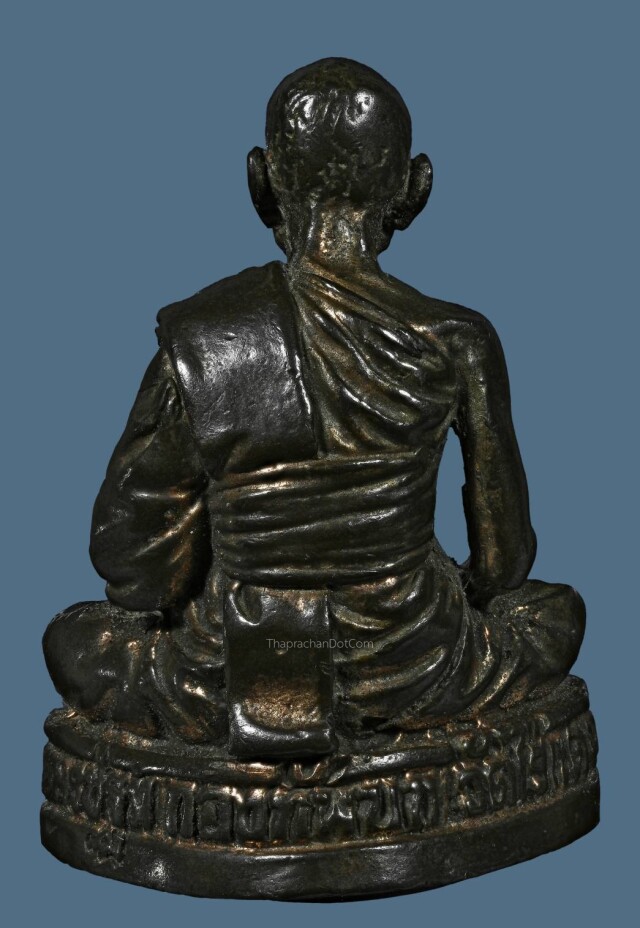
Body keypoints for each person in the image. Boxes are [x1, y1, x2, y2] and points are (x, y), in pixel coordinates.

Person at [44, 58, 585, 758]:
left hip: (227, 667)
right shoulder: (458, 340)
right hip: (414, 664)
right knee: (552, 614)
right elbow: (505, 563)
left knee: (78, 639)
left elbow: (134, 564)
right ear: (416, 187)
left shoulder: (208, 336)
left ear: (259, 181)